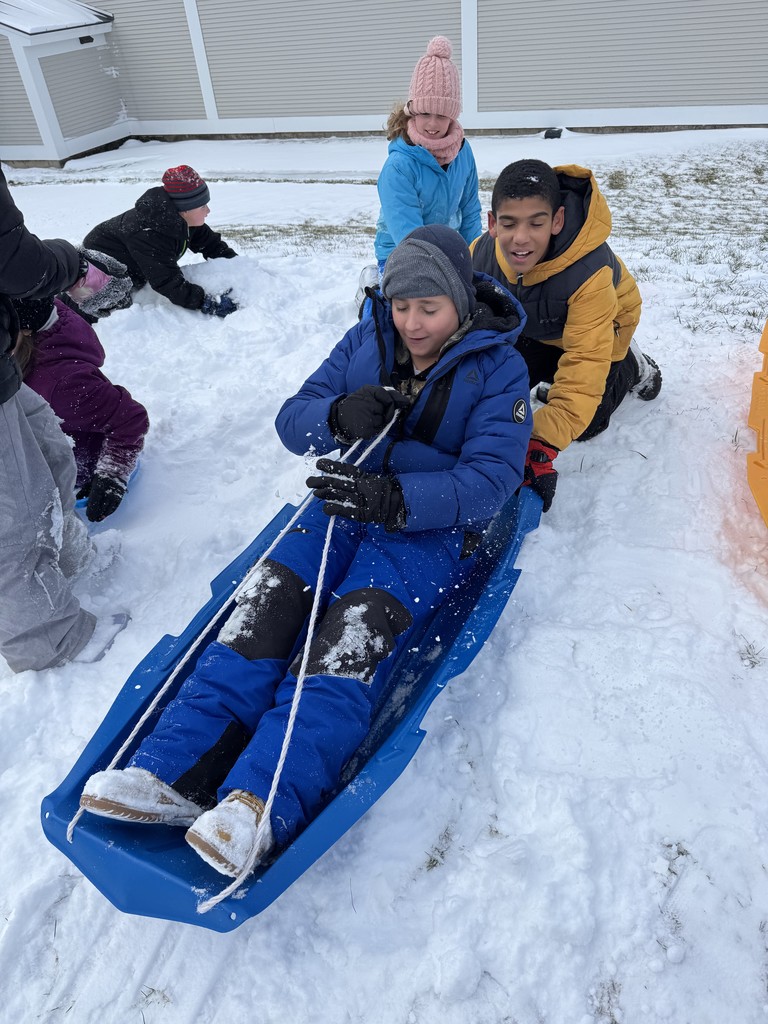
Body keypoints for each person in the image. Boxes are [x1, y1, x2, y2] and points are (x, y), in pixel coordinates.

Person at [79, 225, 532, 880]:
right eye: (401, 305)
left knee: (346, 642)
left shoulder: (499, 370)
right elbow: (295, 417)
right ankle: (172, 769)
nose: (411, 322)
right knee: (260, 615)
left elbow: (491, 483)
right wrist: (341, 416)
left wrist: (398, 499)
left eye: (428, 308)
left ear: (460, 301)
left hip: (425, 527)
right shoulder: (368, 338)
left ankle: (259, 802)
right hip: (340, 504)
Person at [471, 159, 662, 513]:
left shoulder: (589, 273)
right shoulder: (480, 255)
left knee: (587, 422)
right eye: (509, 223)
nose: (521, 238)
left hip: (602, 329)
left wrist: (541, 444)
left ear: (557, 220)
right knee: (487, 389)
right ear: (493, 223)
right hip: (538, 326)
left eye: (536, 223)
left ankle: (634, 367)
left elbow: (584, 364)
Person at [0, 162, 131, 673]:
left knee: (51, 452)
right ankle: (49, 641)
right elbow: (11, 257)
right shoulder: (67, 380)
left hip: (5, 367)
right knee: (12, 519)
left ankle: (69, 556)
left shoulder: (55, 370)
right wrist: (69, 264)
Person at [357, 36, 482, 315]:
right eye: (425, 113)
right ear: (412, 110)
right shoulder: (399, 167)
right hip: (402, 252)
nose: (433, 125)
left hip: (450, 250)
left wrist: (472, 260)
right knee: (405, 315)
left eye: (442, 115)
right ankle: (372, 288)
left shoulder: (463, 152)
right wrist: (445, 274)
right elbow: (408, 236)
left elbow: (470, 209)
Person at [13, 295, 149, 522]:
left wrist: (111, 474)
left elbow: (130, 418)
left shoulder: (61, 384)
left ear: (25, 328)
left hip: (75, 468)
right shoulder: (23, 336)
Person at [83, 165, 238, 318]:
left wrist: (240, 266)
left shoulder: (184, 221)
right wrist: (204, 301)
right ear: (185, 209)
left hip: (136, 266)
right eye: (203, 205)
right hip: (99, 271)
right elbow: (167, 281)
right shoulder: (149, 233)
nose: (208, 211)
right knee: (114, 312)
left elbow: (213, 246)